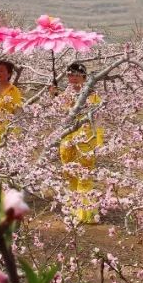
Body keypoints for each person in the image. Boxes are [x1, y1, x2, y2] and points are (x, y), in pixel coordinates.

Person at [58, 62, 103, 224]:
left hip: (85, 138)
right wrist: (54, 96)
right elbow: (60, 115)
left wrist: (98, 140)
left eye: (76, 74)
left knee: (84, 174)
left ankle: (86, 214)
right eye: (70, 74)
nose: (72, 78)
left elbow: (97, 120)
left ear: (83, 76)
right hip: (68, 138)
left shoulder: (92, 95)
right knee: (69, 173)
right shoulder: (65, 94)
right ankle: (72, 209)